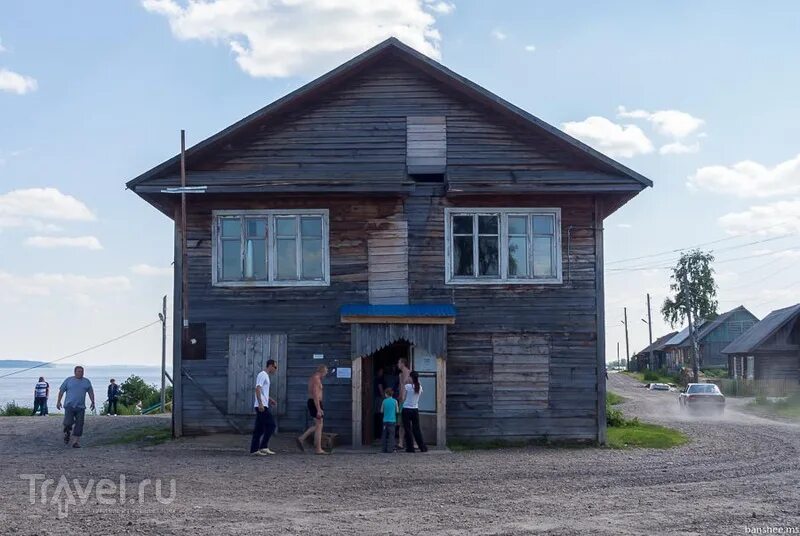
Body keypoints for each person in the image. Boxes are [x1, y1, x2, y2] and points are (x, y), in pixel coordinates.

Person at [56, 366, 95, 448]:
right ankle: (67, 432)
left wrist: (92, 402)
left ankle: (75, 442)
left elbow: (90, 392)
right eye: (79, 371)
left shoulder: (86, 381)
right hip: (69, 405)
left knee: (79, 424)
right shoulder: (68, 380)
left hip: (80, 407)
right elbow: (61, 391)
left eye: (82, 371)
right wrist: (58, 402)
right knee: (68, 422)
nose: (80, 373)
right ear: (75, 372)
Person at [297, 364, 328, 454]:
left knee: (318, 425)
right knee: (319, 425)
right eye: (326, 371)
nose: (326, 373)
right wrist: (318, 409)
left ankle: (302, 438)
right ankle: (318, 449)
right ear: (322, 371)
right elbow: (315, 394)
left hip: (315, 403)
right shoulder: (316, 379)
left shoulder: (314, 378)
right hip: (315, 403)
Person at [250, 359, 278, 456]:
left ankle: (254, 450)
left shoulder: (266, 376)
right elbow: (257, 388)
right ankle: (263, 446)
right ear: (270, 366)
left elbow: (262, 391)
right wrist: (260, 403)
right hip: (261, 406)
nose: (276, 369)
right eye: (275, 367)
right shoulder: (262, 374)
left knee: (259, 428)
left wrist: (270, 399)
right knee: (271, 425)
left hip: (263, 404)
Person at [400, 371, 427, 453]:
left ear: (411, 377)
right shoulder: (419, 387)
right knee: (416, 429)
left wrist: (402, 384)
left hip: (406, 409)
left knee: (408, 429)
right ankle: (422, 447)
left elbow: (403, 397)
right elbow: (419, 391)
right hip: (415, 409)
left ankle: (410, 448)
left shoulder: (407, 386)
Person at [396, 358, 412, 448]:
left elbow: (414, 386)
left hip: (409, 401)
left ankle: (414, 443)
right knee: (401, 422)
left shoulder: (410, 373)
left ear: (402, 363)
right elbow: (400, 387)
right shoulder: (400, 375)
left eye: (398, 362)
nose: (397, 364)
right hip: (402, 401)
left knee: (409, 422)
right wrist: (399, 397)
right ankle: (400, 443)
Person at [379, 387, 399, 453]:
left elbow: (381, 411)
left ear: (386, 394)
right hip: (392, 421)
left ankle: (383, 449)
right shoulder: (395, 401)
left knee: (384, 435)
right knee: (391, 435)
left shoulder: (384, 401)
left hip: (385, 421)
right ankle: (390, 449)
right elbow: (397, 411)